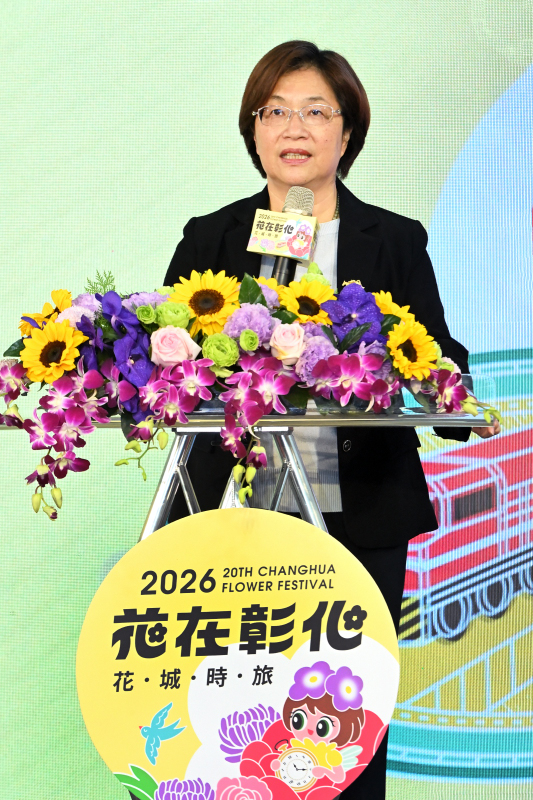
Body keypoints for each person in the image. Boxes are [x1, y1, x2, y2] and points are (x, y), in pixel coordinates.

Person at [164, 41, 500, 799]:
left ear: (346, 133)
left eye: (316, 111)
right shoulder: (213, 237)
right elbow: (168, 365)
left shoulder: (393, 239)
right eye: (275, 111)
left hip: (362, 516)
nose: (295, 127)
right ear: (253, 131)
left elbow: (433, 351)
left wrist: (450, 395)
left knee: (345, 728)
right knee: (234, 718)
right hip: (235, 517)